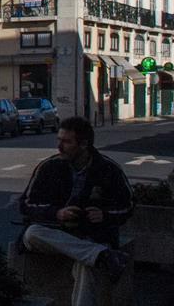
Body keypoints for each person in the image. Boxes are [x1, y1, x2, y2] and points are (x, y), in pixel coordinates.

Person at [19, 115, 133, 306]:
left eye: (66, 142)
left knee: (87, 264)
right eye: (59, 140)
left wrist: (103, 215)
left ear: (83, 144)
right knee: (31, 233)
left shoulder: (108, 169)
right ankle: (102, 254)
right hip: (56, 232)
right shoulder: (49, 167)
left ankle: (98, 254)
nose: (60, 146)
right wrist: (57, 213)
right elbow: (26, 205)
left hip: (91, 233)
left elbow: (128, 206)